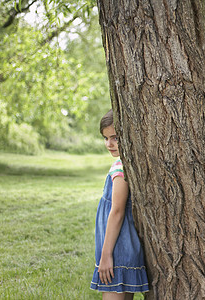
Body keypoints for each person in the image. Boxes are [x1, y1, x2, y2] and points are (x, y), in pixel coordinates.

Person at [91, 109, 149, 299]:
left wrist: (106, 255)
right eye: (106, 138)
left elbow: (117, 211)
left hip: (116, 251)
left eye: (115, 137)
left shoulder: (121, 167)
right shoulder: (124, 163)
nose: (109, 144)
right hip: (122, 248)